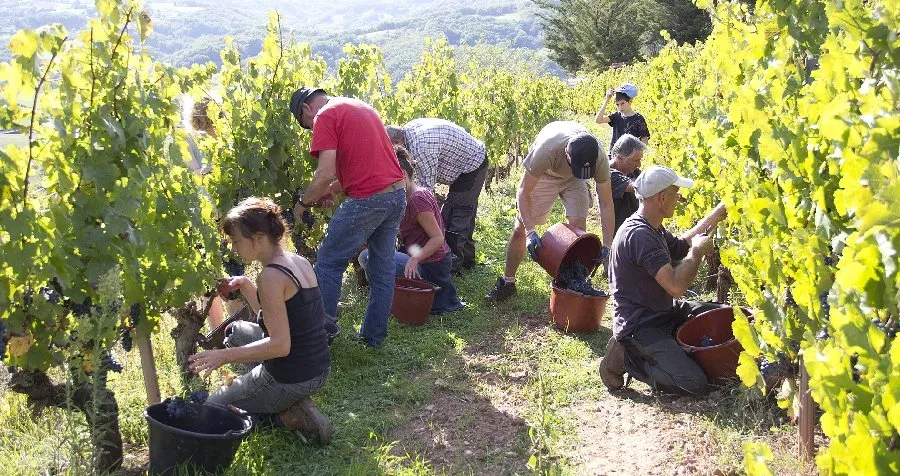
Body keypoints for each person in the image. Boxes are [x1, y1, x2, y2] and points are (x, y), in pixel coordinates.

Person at [188, 197, 333, 442]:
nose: (233, 249)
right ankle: (279, 404)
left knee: (212, 405)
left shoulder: (271, 277)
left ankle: (284, 413)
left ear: (257, 238)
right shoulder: (296, 261)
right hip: (316, 365)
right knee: (235, 332)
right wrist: (245, 285)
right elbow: (274, 319)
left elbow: (279, 345)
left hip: (291, 375)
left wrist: (223, 356)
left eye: (236, 241)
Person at [288, 87, 405, 348]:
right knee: (382, 267)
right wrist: (335, 190)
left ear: (306, 109)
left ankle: (322, 336)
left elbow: (324, 172)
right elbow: (369, 164)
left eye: (307, 126)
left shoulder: (324, 116)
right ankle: (373, 338)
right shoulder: (358, 106)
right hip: (396, 194)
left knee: (329, 261)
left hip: (370, 199)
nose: (312, 129)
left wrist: (302, 204)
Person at [600, 166, 728, 396]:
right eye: (676, 193)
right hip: (641, 325)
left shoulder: (650, 226)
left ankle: (667, 350)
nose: (679, 198)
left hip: (663, 312)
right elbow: (676, 287)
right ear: (661, 198)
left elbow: (679, 247)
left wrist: (714, 217)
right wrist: (697, 253)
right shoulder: (639, 235)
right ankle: (626, 356)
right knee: (693, 383)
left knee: (724, 315)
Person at [485, 121, 615, 303]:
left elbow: (606, 203)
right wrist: (531, 232)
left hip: (574, 180)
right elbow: (524, 193)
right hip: (546, 174)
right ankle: (508, 283)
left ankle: (572, 284)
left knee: (578, 231)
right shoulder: (546, 150)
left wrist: (608, 244)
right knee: (520, 228)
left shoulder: (598, 157)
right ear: (567, 155)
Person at [359, 145, 463, 314]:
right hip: (426, 259)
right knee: (373, 254)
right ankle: (393, 296)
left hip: (429, 265)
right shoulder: (411, 195)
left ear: (403, 175)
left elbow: (438, 238)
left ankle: (385, 301)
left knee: (369, 257)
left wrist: (414, 260)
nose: (387, 186)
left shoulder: (416, 200)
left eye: (390, 180)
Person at [385, 119, 488, 272]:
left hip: (471, 166)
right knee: (464, 211)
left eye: (389, 149)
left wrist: (412, 220)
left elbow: (425, 192)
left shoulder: (422, 147)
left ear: (396, 141)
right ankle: (468, 260)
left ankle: (450, 267)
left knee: (455, 214)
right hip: (466, 163)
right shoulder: (407, 132)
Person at [594, 83, 651, 154]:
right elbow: (598, 120)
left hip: (629, 159)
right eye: (617, 104)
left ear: (630, 101)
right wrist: (607, 100)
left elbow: (644, 141)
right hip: (614, 156)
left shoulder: (638, 119)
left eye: (622, 103)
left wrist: (634, 156)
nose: (620, 107)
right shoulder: (616, 116)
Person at [608, 134, 647, 233]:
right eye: (636, 160)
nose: (639, 164)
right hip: (620, 233)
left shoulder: (633, 171)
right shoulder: (608, 175)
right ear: (619, 158)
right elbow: (637, 186)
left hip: (636, 229)